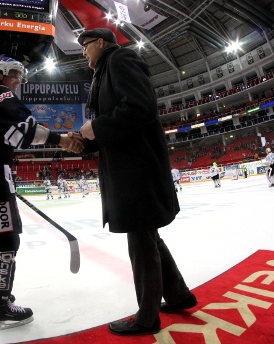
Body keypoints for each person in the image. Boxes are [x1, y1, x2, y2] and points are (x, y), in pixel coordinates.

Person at [78, 28, 196, 336]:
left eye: (86, 46)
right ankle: (179, 295)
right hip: (129, 169)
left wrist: (97, 128)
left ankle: (147, 318)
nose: (83, 52)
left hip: (137, 170)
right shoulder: (103, 72)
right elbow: (115, 124)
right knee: (148, 236)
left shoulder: (120, 59)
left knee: (141, 241)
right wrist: (86, 140)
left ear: (100, 43)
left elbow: (140, 107)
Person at [0, 56, 84, 330]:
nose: (18, 80)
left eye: (19, 75)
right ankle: (1, 306)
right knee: (7, 241)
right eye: (14, 74)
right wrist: (61, 139)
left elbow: (5, 136)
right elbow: (22, 131)